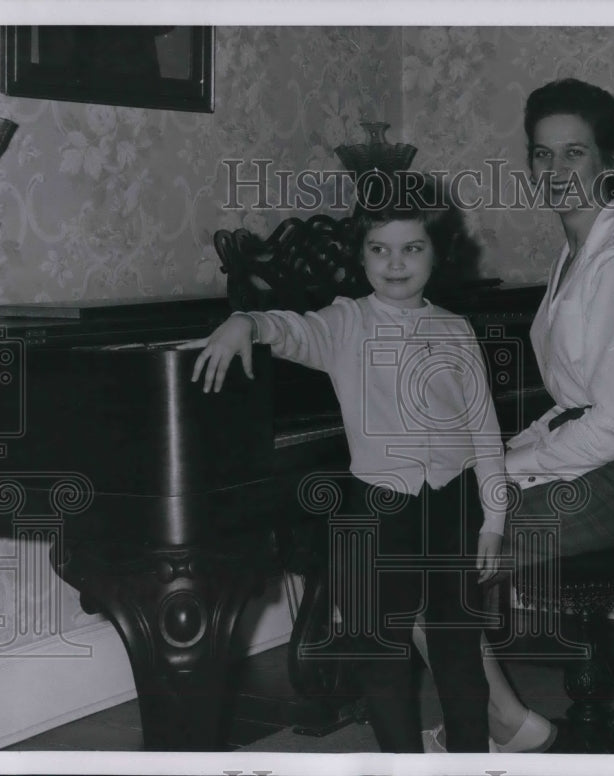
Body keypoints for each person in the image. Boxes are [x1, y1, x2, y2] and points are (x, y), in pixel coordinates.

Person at [184, 173, 504, 753]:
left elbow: (484, 430)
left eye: (412, 248)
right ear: (361, 256)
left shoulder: (456, 331)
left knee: (459, 654)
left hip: (453, 509)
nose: (395, 263)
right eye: (379, 249)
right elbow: (288, 329)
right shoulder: (344, 323)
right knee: (380, 657)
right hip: (379, 512)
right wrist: (246, 321)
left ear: (438, 252)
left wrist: (495, 519)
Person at [461, 77, 614, 750]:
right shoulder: (577, 252)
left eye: (575, 153)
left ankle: (507, 723)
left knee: (431, 548)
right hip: (611, 457)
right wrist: (498, 457)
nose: (556, 172)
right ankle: (508, 720)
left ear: (610, 162)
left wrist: (502, 466)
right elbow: (575, 406)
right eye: (542, 155)